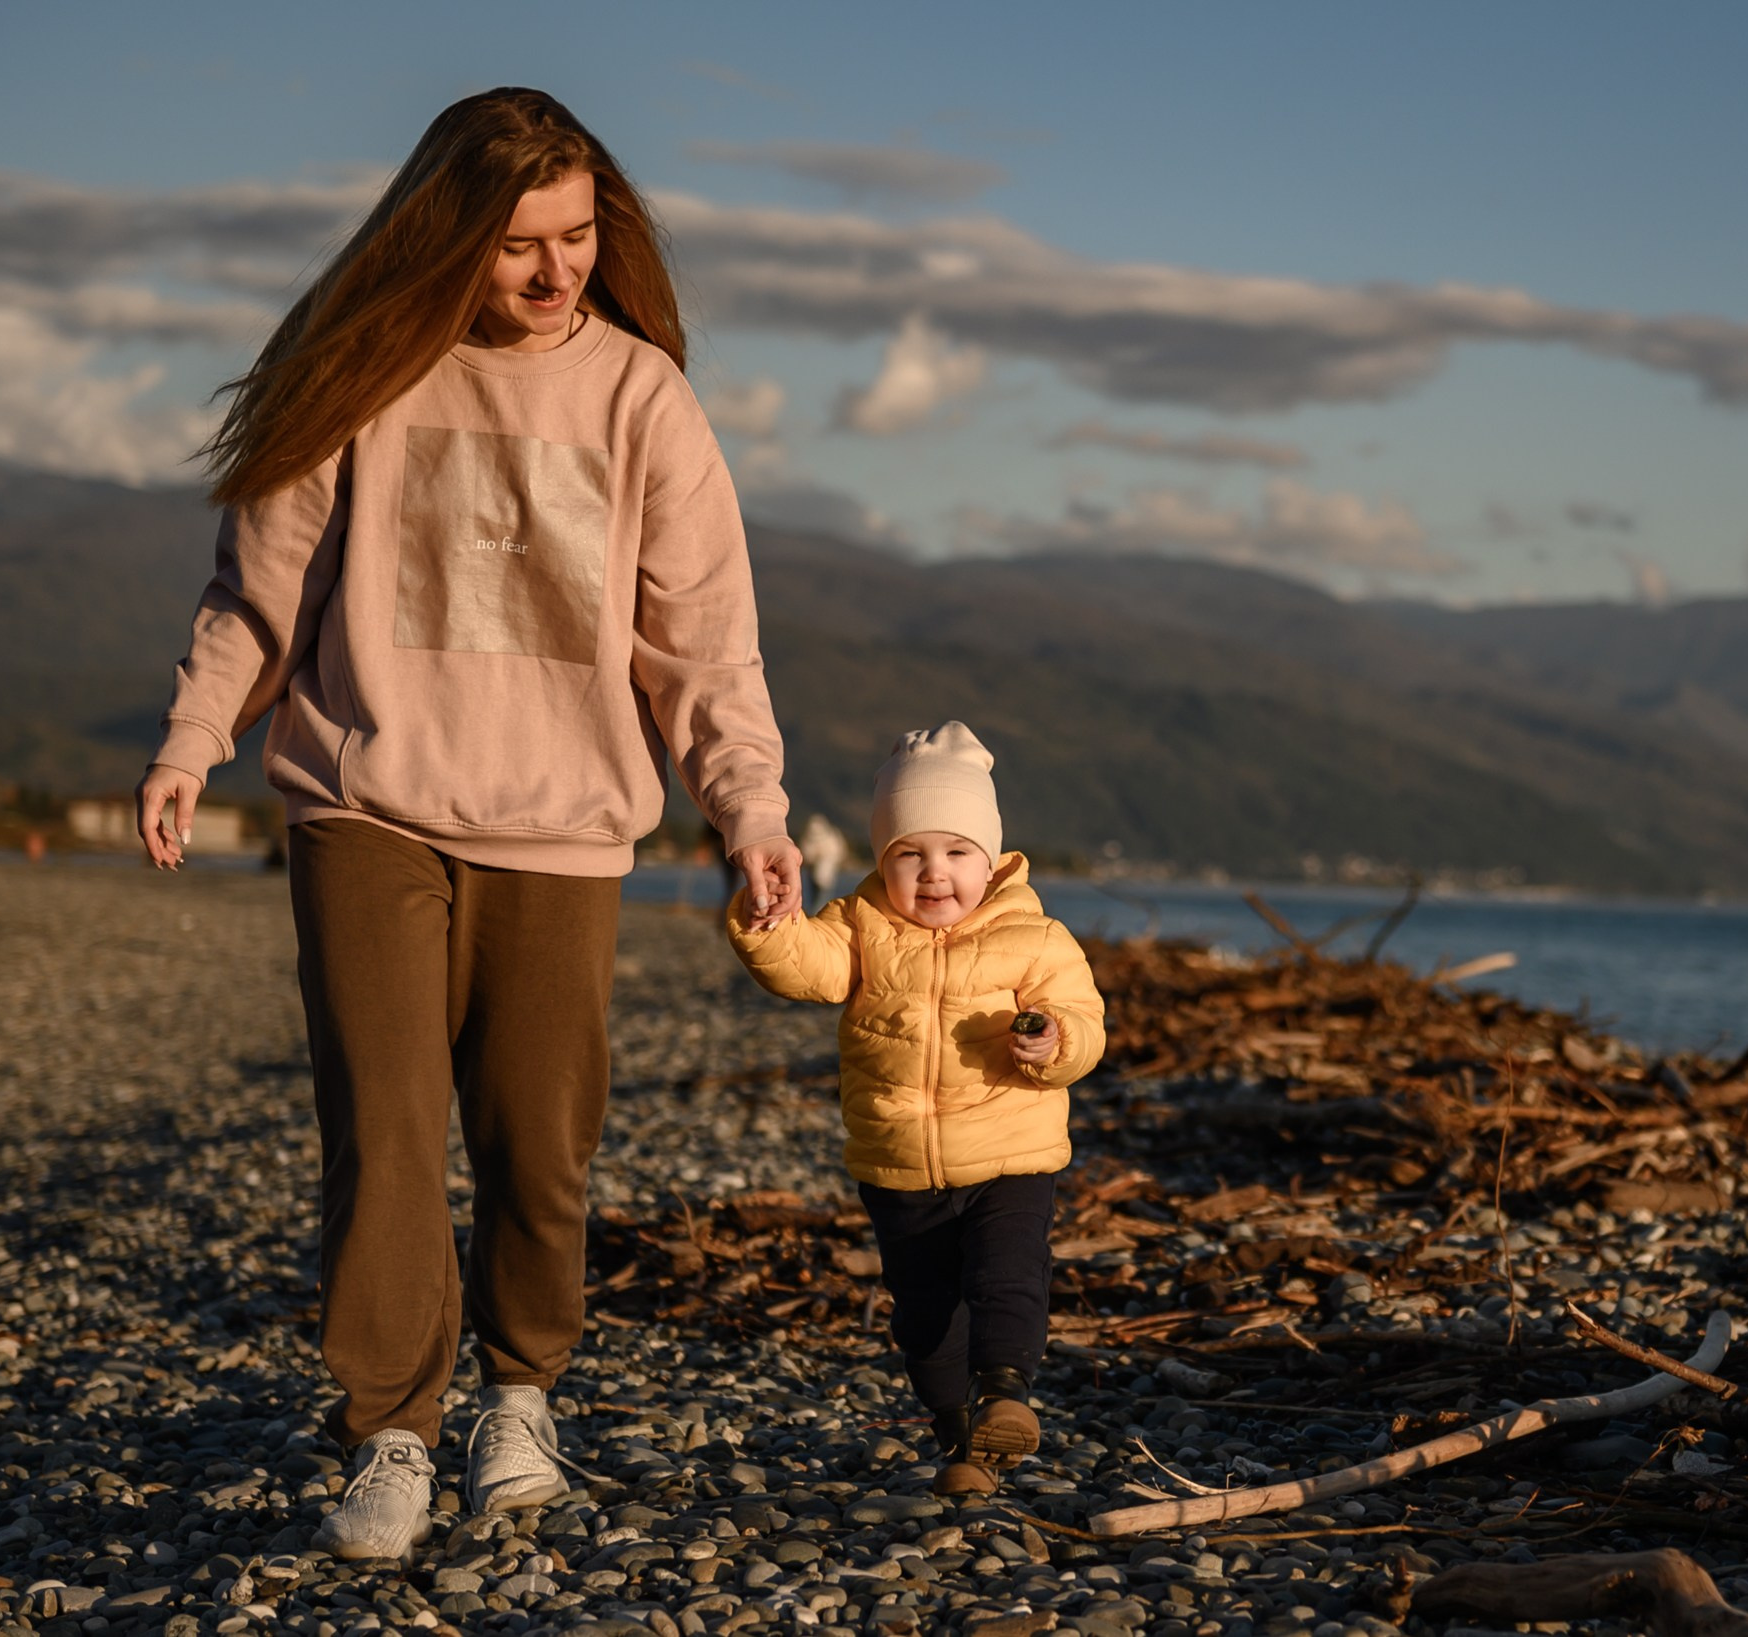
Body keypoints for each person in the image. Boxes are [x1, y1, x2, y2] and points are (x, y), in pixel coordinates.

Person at [134, 87, 800, 1561]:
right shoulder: (364, 372)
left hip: (561, 825)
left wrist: (748, 807)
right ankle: (390, 1429)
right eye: (517, 245)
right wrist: (193, 736)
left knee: (536, 1138)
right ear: (449, 237)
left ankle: (519, 1396)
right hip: (364, 802)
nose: (555, 271)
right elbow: (260, 592)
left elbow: (704, 644)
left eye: (576, 236)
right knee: (381, 1126)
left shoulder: (641, 398)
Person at [727, 723, 1103, 1497]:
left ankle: (1005, 1393)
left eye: (956, 851)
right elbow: (807, 968)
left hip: (1008, 1152)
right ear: (881, 861)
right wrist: (768, 925)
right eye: (909, 854)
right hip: (897, 1162)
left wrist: (1054, 1040)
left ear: (990, 860)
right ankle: (962, 1440)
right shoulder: (859, 925)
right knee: (925, 1317)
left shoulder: (1035, 937)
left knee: (1007, 1277)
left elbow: (1082, 1019)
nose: (934, 872)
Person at [797, 811, 849, 909]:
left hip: (826, 873)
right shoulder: (809, 839)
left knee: (822, 896)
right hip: (813, 873)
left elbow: (838, 853)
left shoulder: (831, 838)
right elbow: (806, 854)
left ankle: (819, 913)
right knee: (815, 896)